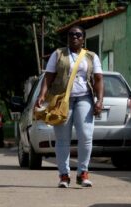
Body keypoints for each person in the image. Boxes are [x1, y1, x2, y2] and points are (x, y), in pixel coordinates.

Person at [35, 25, 103, 188]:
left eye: (78, 35)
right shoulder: (58, 54)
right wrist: (42, 95)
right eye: (71, 35)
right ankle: (64, 175)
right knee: (62, 139)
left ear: (83, 38)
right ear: (68, 38)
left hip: (84, 98)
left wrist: (99, 100)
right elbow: (48, 77)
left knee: (86, 136)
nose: (74, 37)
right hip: (61, 100)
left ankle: (83, 173)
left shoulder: (91, 56)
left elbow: (99, 79)